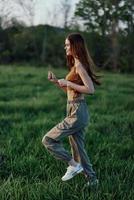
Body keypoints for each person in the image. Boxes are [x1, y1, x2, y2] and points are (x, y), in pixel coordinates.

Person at [42, 33, 101, 187]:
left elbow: (90, 89)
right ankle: (92, 180)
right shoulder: (75, 64)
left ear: (75, 46)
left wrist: (67, 82)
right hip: (74, 107)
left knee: (48, 140)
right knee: (78, 148)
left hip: (77, 111)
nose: (65, 47)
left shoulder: (79, 65)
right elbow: (70, 92)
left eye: (68, 45)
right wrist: (57, 82)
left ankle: (73, 165)